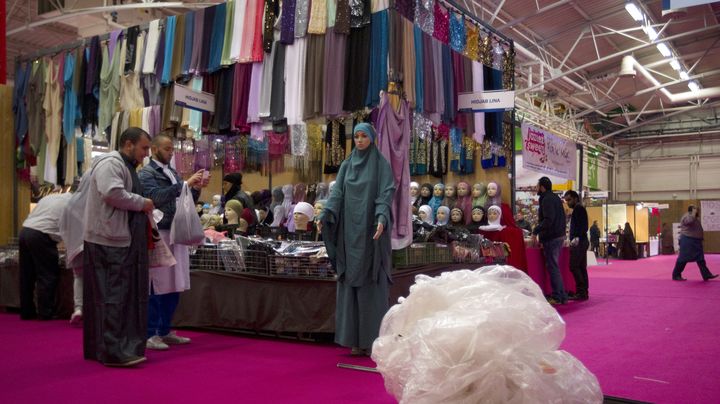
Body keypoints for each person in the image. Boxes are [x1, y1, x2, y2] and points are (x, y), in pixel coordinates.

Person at [318, 122, 395, 356]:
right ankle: (352, 338)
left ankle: (372, 339)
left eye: (364, 136)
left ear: (372, 138)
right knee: (350, 280)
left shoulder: (381, 164)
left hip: (371, 233)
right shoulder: (347, 164)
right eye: (357, 136)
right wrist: (326, 213)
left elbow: (386, 193)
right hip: (348, 233)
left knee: (371, 283)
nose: (360, 140)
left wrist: (382, 217)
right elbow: (337, 193)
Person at [82, 127, 155, 367]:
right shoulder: (110, 164)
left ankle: (107, 348)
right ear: (127, 144)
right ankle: (113, 351)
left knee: (113, 297)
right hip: (108, 241)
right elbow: (112, 193)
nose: (146, 154)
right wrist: (142, 202)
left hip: (114, 239)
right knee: (112, 297)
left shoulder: (123, 166)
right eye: (144, 148)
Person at [139, 134, 207, 351]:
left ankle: (165, 329)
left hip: (176, 231)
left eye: (171, 149)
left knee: (175, 282)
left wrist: (194, 189)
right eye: (167, 149)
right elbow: (155, 198)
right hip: (159, 231)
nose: (171, 152)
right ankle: (150, 333)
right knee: (157, 282)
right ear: (154, 149)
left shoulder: (173, 172)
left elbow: (184, 202)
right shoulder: (147, 173)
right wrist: (184, 184)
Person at [19, 192, 73, 320]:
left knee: (26, 275)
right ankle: (45, 312)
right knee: (47, 275)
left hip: (25, 230)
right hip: (42, 235)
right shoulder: (73, 203)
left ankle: (26, 311)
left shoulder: (50, 196)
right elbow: (72, 230)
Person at [531, 177, 567, 305]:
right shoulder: (554, 198)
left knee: (553, 267)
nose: (536, 188)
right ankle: (561, 295)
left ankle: (557, 296)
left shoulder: (547, 199)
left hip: (552, 237)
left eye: (537, 185)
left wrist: (536, 231)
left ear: (542, 187)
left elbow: (548, 219)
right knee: (554, 266)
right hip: (557, 235)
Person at [672, 205, 717, 281]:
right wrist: (693, 213)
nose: (697, 211)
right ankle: (676, 275)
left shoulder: (693, 217)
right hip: (688, 241)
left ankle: (706, 275)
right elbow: (689, 222)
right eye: (696, 209)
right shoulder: (687, 216)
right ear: (692, 210)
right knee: (683, 259)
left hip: (695, 241)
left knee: (700, 259)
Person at [564, 191, 589, 301]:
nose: (567, 202)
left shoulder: (578, 209)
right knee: (581, 267)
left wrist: (576, 238)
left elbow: (583, 227)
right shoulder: (579, 209)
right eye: (566, 200)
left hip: (579, 241)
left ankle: (581, 291)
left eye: (569, 200)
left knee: (573, 266)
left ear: (575, 198)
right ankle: (584, 291)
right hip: (581, 241)